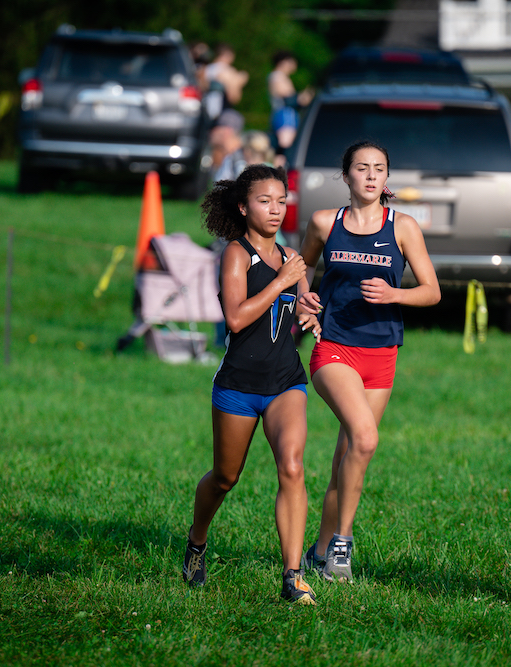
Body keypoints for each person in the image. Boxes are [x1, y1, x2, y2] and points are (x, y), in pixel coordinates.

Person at [297, 141, 441, 583]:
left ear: (387, 177)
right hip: (334, 349)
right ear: (346, 176)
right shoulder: (325, 223)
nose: (371, 176)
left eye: (379, 169)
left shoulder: (404, 227)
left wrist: (396, 294)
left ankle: (317, 552)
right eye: (362, 168)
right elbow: (298, 266)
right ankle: (343, 544)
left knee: (349, 453)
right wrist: (304, 298)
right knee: (364, 438)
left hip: (382, 355)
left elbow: (432, 291)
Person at [183, 164, 322, 605]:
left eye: (282, 201)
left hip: (286, 381)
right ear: (244, 207)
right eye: (265, 201)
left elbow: (296, 311)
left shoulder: (293, 259)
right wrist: (281, 282)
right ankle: (196, 542)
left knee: (293, 467)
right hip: (239, 385)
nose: (276, 209)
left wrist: (307, 311)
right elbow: (237, 318)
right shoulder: (237, 254)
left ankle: (292, 575)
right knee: (225, 477)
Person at [267, 51, 313, 166]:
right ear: (284, 62)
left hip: (286, 115)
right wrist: (302, 98)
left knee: (284, 147)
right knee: (284, 147)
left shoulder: (280, 76)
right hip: (284, 115)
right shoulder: (277, 76)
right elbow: (288, 99)